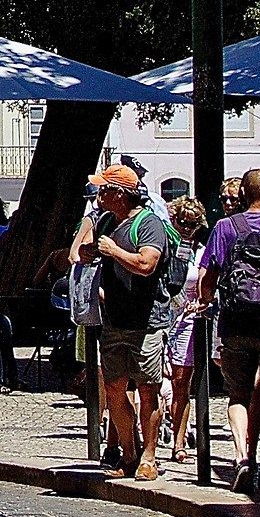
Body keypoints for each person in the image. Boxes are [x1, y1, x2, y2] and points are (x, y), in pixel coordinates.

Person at [195, 167, 260, 493]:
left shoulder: (224, 227)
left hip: (234, 321)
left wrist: (207, 301)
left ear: (243, 195)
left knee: (238, 394)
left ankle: (241, 458)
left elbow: (207, 277)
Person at [78, 164, 173, 482]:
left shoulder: (149, 224)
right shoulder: (105, 219)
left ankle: (149, 456)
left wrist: (114, 251)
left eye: (103, 189)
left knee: (148, 391)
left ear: (119, 194)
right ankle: (129, 455)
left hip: (146, 322)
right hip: (114, 320)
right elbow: (83, 253)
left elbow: (147, 264)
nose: (99, 194)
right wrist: (91, 252)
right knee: (115, 390)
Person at [163, 195, 210, 463]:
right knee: (153, 383)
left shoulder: (202, 252)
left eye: (193, 224)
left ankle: (179, 443)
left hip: (187, 321)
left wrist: (200, 303)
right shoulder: (164, 246)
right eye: (182, 222)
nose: (187, 228)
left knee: (182, 382)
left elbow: (207, 286)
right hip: (161, 317)